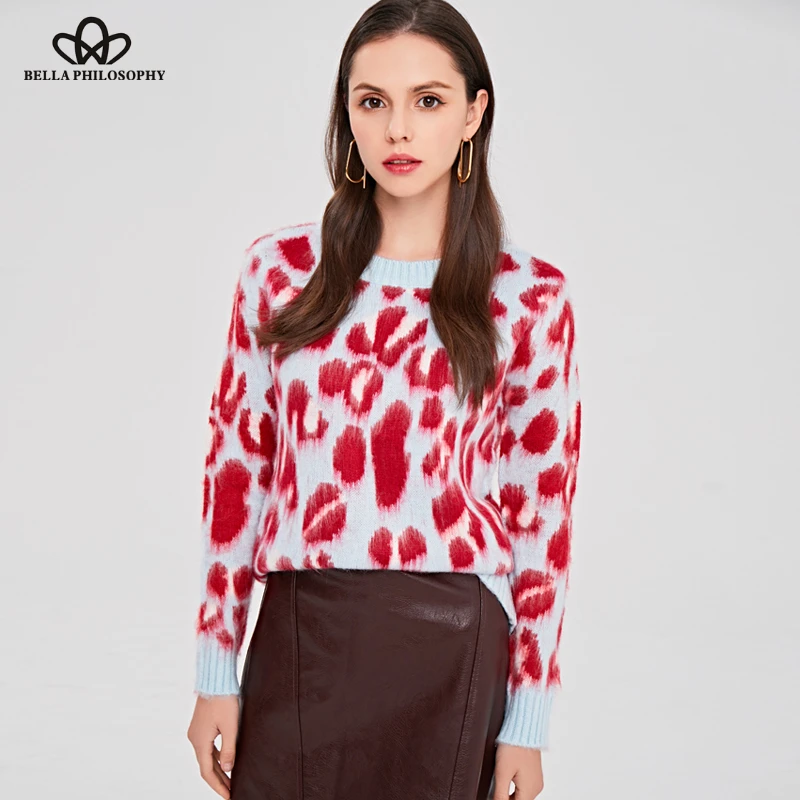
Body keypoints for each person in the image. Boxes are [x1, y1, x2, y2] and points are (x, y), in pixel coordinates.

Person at [186, 1, 582, 798]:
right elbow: (235, 476)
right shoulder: (278, 272)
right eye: (373, 101)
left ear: (473, 114)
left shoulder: (529, 296)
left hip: (451, 648)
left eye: (428, 100)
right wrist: (214, 669)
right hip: (303, 637)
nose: (398, 129)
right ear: (347, 114)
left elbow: (543, 517)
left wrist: (527, 721)